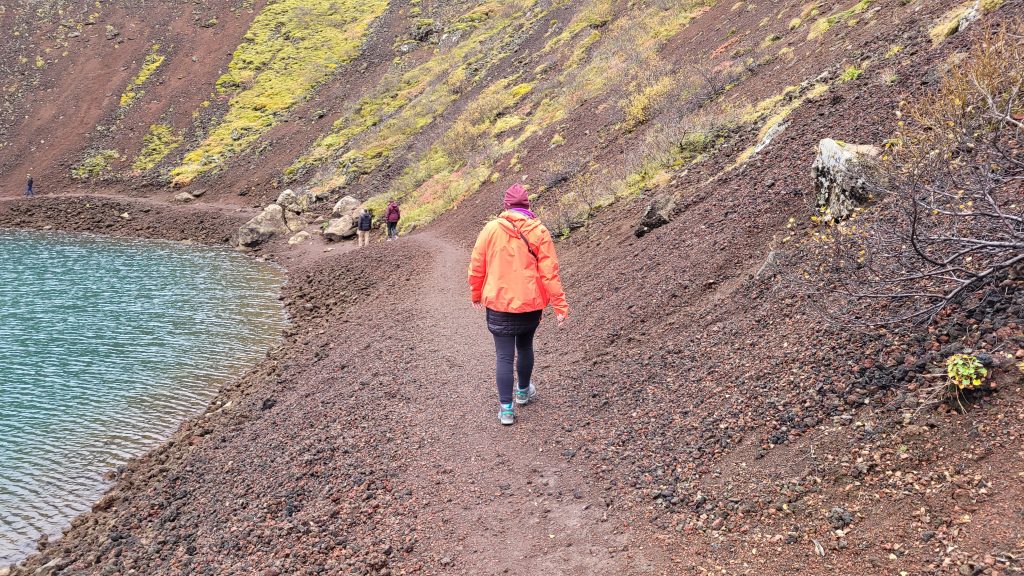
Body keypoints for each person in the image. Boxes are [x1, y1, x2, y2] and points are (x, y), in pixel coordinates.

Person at [468, 183, 569, 425]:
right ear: (527, 206)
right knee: (525, 347)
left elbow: (477, 265)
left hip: (499, 302)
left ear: (506, 206)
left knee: (503, 356)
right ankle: (523, 392)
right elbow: (550, 272)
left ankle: (506, 409)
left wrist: (475, 294)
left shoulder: (490, 229)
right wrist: (560, 305)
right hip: (530, 303)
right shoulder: (539, 231)